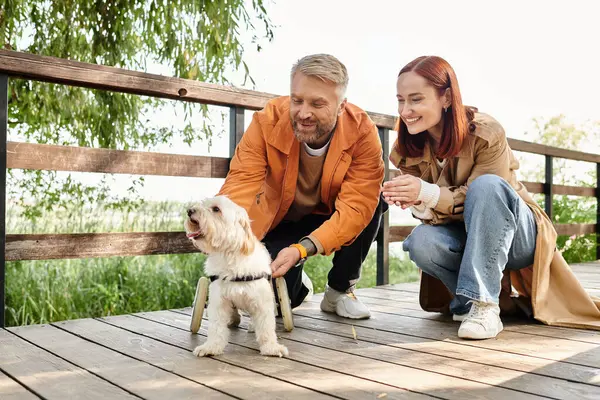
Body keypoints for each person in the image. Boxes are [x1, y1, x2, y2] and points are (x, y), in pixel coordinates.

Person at [382, 55, 600, 339]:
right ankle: (467, 300)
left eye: (416, 99)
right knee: (420, 241)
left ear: (446, 97)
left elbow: (488, 194)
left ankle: (484, 305)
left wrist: (426, 193)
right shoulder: (406, 149)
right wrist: (415, 202)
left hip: (518, 237)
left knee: (486, 186)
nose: (406, 110)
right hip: (463, 233)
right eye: (401, 100)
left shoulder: (486, 132)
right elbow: (434, 215)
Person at [218, 53, 386, 319]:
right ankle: (299, 287)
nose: (304, 113)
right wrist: (222, 230)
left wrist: (302, 250)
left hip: (334, 212)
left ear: (341, 106)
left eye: (318, 104)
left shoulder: (363, 131)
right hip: (282, 218)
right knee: (274, 299)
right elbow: (241, 184)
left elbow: (357, 206)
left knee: (375, 202)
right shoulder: (267, 121)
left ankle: (340, 290)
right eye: (297, 101)